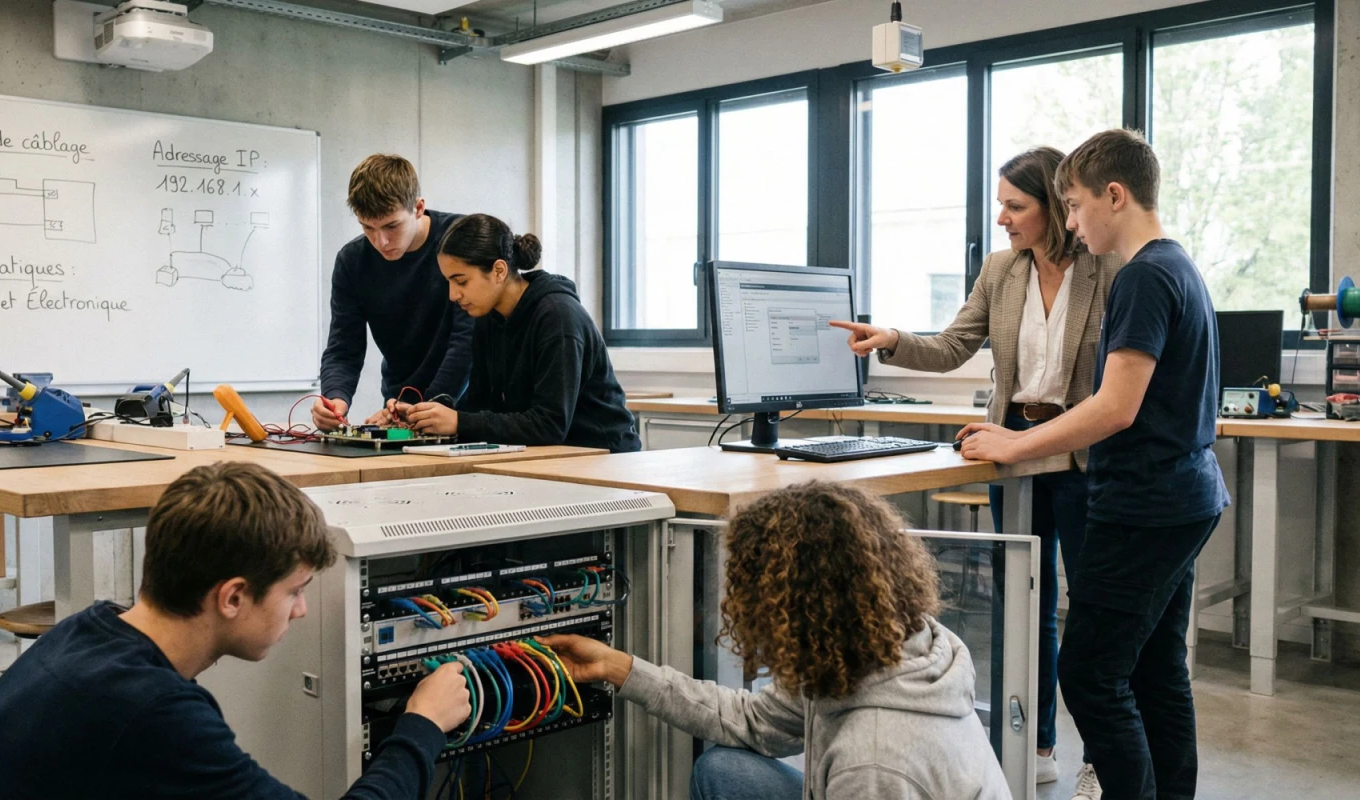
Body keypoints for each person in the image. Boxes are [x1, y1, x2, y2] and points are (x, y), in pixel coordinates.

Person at [832, 145, 1123, 788]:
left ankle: (1102, 757)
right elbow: (956, 343)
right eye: (1001, 206)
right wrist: (892, 341)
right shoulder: (1001, 269)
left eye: (1015, 206)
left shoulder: (1108, 268)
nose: (1002, 218)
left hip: (1079, 447)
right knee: (1026, 598)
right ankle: (1036, 748)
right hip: (1012, 438)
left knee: (1093, 607)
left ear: (1054, 207)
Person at [0, 462, 472, 799]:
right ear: (232, 597)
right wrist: (420, 725)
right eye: (295, 590)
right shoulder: (152, 711)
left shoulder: (88, 632)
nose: (302, 609)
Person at [956, 129, 1229, 800]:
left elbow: (1115, 406)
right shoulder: (1179, 267)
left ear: (1114, 195)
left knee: (1090, 674)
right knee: (1155, 669)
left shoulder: (1140, 277)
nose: (1070, 223)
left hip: (1145, 502)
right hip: (1185, 496)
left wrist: (1014, 444)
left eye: (1074, 206)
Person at [540, 481, 1010, 800]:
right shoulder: (887, 646)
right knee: (724, 770)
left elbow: (869, 770)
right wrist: (616, 667)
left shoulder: (871, 763)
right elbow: (752, 721)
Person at [402, 213, 641, 453]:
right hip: (549, 457)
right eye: (449, 283)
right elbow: (480, 409)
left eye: (461, 281)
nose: (453, 295)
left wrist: (458, 421)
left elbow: (549, 425)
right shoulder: (487, 318)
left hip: (604, 457)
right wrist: (426, 417)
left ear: (498, 271)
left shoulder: (558, 317)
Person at [314, 154, 472, 431]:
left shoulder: (462, 240)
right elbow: (343, 348)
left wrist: (423, 407)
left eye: (391, 226)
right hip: (401, 410)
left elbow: (467, 342)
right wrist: (335, 398)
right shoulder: (352, 261)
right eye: (368, 228)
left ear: (419, 207)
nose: (381, 241)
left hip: (469, 411)